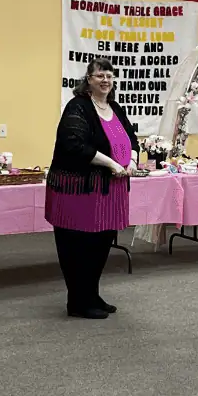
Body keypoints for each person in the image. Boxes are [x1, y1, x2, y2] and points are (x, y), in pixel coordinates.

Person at [45, 57, 139, 319]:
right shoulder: (78, 107)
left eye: (109, 75)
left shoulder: (116, 107)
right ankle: (77, 301)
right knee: (79, 247)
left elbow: (132, 139)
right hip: (78, 192)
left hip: (109, 191)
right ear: (88, 80)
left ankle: (92, 294)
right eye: (99, 75)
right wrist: (111, 163)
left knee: (100, 246)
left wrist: (130, 161)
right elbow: (74, 144)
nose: (105, 80)